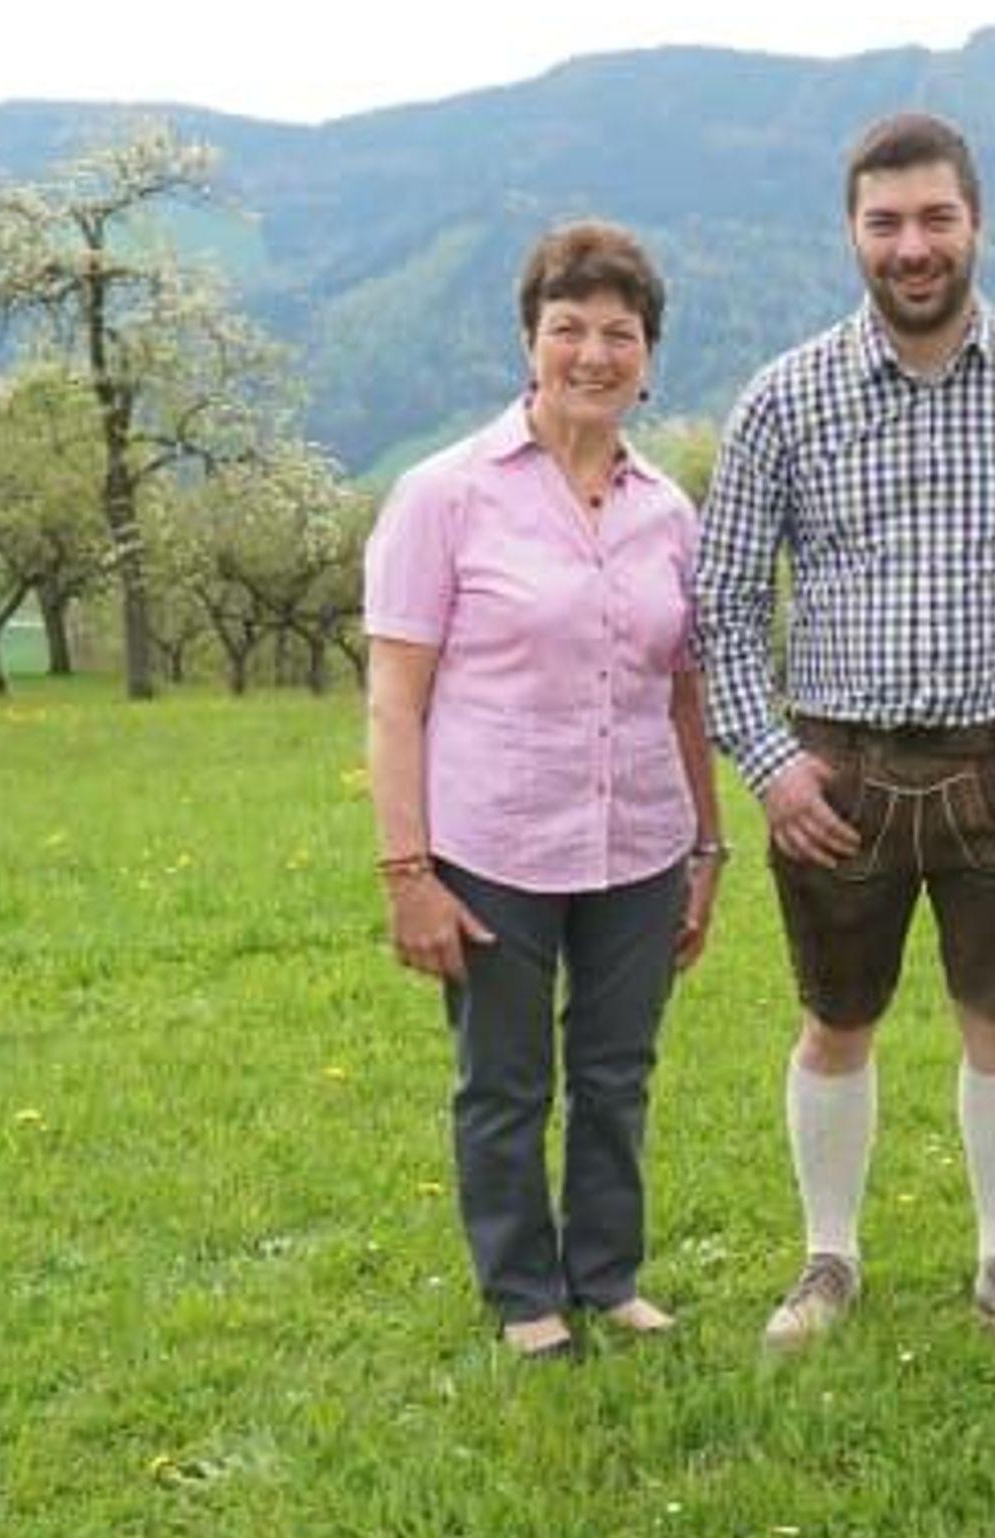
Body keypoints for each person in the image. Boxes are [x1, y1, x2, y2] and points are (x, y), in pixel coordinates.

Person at [695, 113, 995, 1349]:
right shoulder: (784, 396)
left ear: (976, 221)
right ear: (851, 233)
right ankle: (828, 1257)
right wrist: (769, 766)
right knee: (835, 1020)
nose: (911, 246)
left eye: (934, 218)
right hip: (835, 774)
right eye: (885, 223)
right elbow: (720, 603)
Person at [363, 221, 724, 1360]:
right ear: (529, 340)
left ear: (648, 357)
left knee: (617, 1076)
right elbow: (394, 701)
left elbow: (684, 695)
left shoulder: (669, 511)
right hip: (494, 847)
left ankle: (607, 1277)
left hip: (640, 842)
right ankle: (524, 1293)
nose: (593, 354)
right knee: (505, 1083)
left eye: (620, 333)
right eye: (569, 327)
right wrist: (407, 872)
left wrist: (707, 851)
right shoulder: (444, 495)